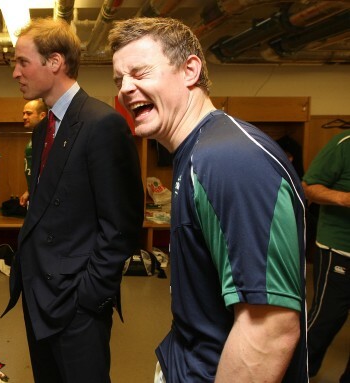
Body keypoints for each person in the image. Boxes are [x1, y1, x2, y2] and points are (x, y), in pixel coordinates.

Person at [109, 17, 308, 382]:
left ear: (190, 70)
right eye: (119, 79)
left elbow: (269, 331)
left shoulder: (230, 160)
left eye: (139, 72)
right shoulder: (195, 152)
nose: (125, 89)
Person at [2, 18, 144, 383]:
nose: (15, 72)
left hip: (75, 301)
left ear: (55, 62)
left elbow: (123, 225)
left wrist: (90, 296)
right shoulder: (43, 129)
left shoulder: (102, 124)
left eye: (22, 62)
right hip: (39, 293)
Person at [302, 130, 350, 383]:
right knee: (327, 317)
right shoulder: (343, 144)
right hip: (339, 249)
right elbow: (308, 187)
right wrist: (345, 198)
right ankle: (298, 372)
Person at [19, 99, 47, 207]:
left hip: (43, 197)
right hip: (35, 195)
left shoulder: (47, 139)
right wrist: (29, 191)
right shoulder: (36, 136)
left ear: (42, 115)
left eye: (29, 113)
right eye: (24, 113)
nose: (24, 117)